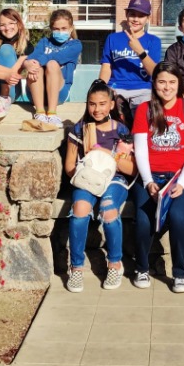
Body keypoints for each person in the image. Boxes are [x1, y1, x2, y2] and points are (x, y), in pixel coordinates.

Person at [131, 62, 184, 292]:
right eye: (162, 81)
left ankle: (179, 272)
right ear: (154, 84)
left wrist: (182, 183)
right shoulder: (145, 109)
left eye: (172, 82)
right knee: (144, 219)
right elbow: (141, 150)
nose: (167, 87)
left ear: (179, 83)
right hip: (150, 176)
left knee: (178, 217)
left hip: (181, 176)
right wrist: (148, 182)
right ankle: (142, 268)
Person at [64, 80, 134, 293]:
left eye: (103, 104)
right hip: (87, 178)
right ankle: (76, 267)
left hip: (115, 179)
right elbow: (69, 166)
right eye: (92, 104)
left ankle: (114, 263)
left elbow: (131, 169)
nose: (97, 109)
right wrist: (85, 173)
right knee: (80, 209)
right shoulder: (80, 129)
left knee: (109, 207)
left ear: (111, 104)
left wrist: (107, 154)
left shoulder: (121, 130)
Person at [100, 0, 162, 121]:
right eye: (132, 14)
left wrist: (140, 51)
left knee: (142, 122)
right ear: (126, 15)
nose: (136, 19)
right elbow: (106, 66)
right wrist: (100, 85)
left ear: (148, 18)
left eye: (141, 16)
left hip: (143, 89)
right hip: (116, 87)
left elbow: (154, 72)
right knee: (108, 121)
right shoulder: (113, 38)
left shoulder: (153, 41)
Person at [24, 9, 82, 126]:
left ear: (71, 28)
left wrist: (36, 62)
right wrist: (28, 64)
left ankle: (52, 114)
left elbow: (58, 56)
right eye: (56, 29)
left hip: (59, 92)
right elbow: (31, 58)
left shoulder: (75, 45)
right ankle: (40, 112)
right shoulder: (44, 42)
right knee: (36, 67)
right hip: (36, 92)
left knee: (52, 64)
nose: (60, 32)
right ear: (51, 29)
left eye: (64, 28)